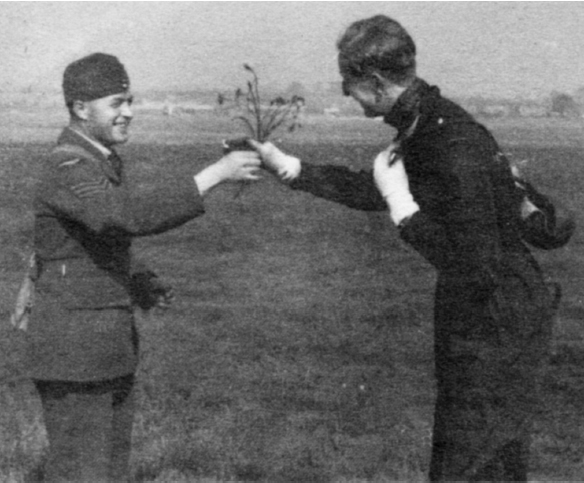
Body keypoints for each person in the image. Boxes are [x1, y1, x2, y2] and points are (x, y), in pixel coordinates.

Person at [251, 15, 574, 482]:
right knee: (483, 465)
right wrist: (291, 169)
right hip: (495, 319)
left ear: (376, 82)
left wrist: (405, 210)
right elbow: (379, 186)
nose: (346, 93)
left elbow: (476, 264)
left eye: (348, 84)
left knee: (469, 468)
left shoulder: (445, 138)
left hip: (495, 326)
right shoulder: (429, 122)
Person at [27, 52, 260, 482]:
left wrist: (138, 281)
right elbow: (122, 216)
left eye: (129, 101)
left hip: (104, 349)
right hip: (75, 354)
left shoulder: (100, 160)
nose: (129, 113)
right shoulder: (68, 165)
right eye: (117, 103)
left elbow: (90, 244)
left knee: (108, 472)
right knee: (81, 474)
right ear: (80, 108)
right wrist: (213, 175)